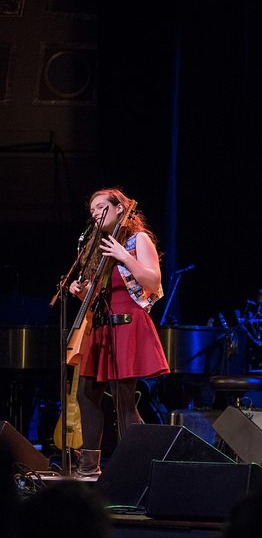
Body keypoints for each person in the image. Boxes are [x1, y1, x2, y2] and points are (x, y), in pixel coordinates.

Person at [68, 188, 169, 476]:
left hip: (127, 325)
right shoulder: (98, 249)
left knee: (124, 399)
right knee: (86, 394)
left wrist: (125, 256)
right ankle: (89, 468)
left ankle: (137, 470)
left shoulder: (139, 240)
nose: (96, 214)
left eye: (102, 207)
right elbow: (101, 295)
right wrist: (81, 291)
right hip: (100, 329)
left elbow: (153, 281)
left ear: (120, 208)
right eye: (92, 211)